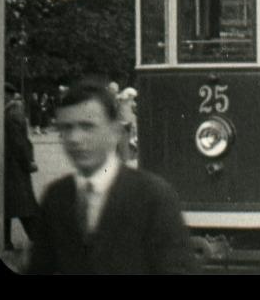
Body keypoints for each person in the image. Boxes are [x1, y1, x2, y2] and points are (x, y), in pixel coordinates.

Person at [27, 78, 195, 274]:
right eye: (66, 128)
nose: (74, 138)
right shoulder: (56, 197)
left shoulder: (154, 197)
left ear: (115, 131)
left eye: (87, 126)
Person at [4, 83, 40, 250]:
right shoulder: (11, 113)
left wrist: (28, 163)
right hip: (12, 166)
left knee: (22, 207)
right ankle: (4, 242)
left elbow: (19, 143)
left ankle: (43, 242)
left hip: (14, 167)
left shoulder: (11, 114)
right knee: (10, 206)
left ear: (8, 95)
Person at [116, 86, 138, 163]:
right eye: (132, 97)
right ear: (128, 95)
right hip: (123, 123)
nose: (133, 98)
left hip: (128, 123)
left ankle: (133, 138)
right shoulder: (121, 102)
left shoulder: (129, 102)